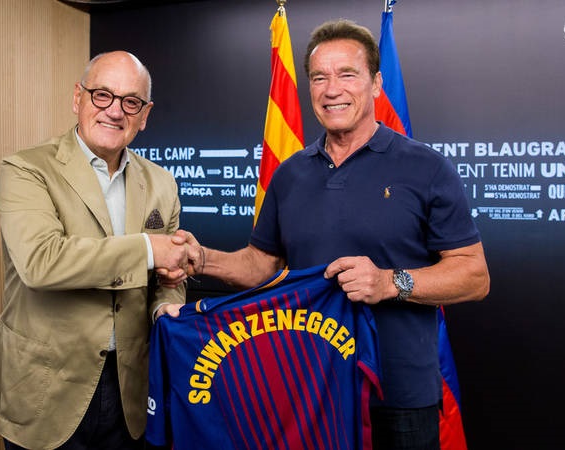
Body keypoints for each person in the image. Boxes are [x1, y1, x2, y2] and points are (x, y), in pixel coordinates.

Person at [165, 19, 490, 450]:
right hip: (310, 391)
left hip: (400, 398)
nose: (332, 89)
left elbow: (474, 276)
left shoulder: (426, 167)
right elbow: (261, 266)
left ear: (376, 84)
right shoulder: (290, 174)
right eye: (319, 77)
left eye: (347, 74)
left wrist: (390, 282)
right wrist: (201, 259)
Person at [0, 51, 189, 450]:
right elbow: (41, 262)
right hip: (45, 389)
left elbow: (167, 276)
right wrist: (148, 249)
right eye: (102, 95)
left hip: (130, 389)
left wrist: (165, 306)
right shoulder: (26, 170)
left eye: (131, 102)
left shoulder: (163, 183)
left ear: (144, 115)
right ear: (78, 98)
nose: (115, 111)